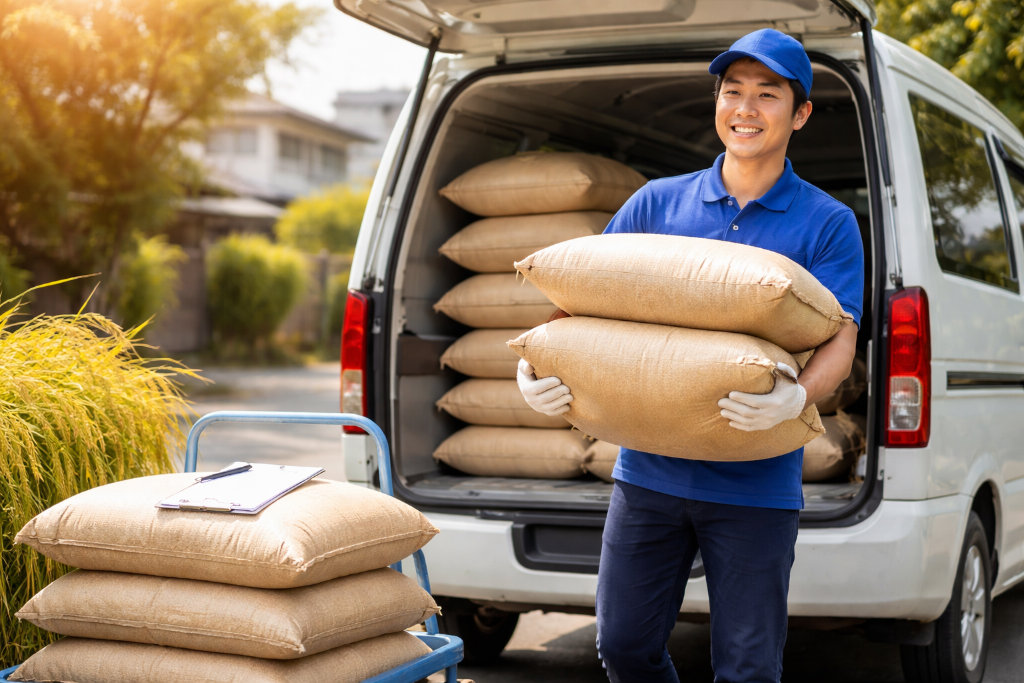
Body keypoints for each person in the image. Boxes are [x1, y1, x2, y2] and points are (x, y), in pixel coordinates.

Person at [516, 29, 864, 683]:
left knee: (749, 667)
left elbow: (840, 338)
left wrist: (799, 396)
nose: (746, 109)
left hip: (757, 485)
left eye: (767, 95)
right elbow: (586, 302)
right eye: (733, 92)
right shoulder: (656, 202)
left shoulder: (828, 222)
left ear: (801, 113)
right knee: (622, 645)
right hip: (648, 475)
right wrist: (535, 364)